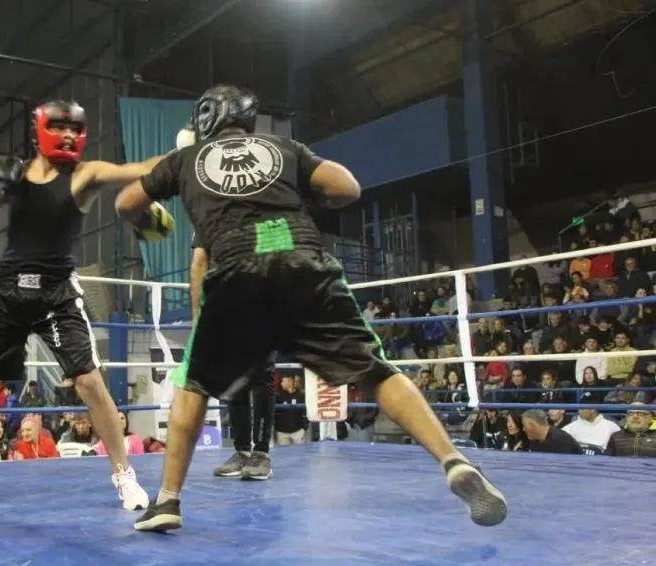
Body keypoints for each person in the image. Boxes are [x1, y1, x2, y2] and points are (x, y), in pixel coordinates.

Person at [115, 84, 507, 532]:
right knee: (374, 372)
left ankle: (167, 502)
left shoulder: (185, 161)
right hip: (302, 256)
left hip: (236, 268)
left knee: (194, 384)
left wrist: (152, 222)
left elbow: (126, 203)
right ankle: (453, 461)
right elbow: (348, 187)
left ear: (206, 120)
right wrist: (301, 195)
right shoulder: (283, 147)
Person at [0, 100, 175, 510]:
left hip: (56, 294)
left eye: (74, 129)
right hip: (7, 292)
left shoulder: (86, 174)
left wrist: (187, 153)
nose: (68, 135)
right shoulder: (13, 173)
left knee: (89, 382)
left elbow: (143, 168)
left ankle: (124, 474)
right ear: (40, 130)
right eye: (59, 127)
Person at [190, 231, 276, 480]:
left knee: (262, 376)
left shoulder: (263, 203)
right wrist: (198, 316)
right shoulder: (208, 213)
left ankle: (261, 453)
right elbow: (199, 260)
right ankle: (242, 451)